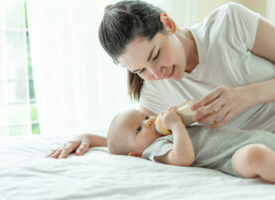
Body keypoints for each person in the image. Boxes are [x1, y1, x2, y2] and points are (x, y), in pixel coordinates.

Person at [47, 1, 275, 165]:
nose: (157, 73)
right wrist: (90, 138)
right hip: (262, 154)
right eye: (141, 70)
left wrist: (248, 95)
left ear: (168, 23)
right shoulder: (154, 92)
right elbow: (137, 137)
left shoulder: (229, 23)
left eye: (155, 55)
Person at [105, 106, 275, 182]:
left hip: (259, 137)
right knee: (254, 156)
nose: (149, 122)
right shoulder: (154, 149)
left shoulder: (169, 132)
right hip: (233, 158)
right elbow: (183, 158)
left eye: (146, 117)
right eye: (138, 129)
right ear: (136, 155)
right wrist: (177, 125)